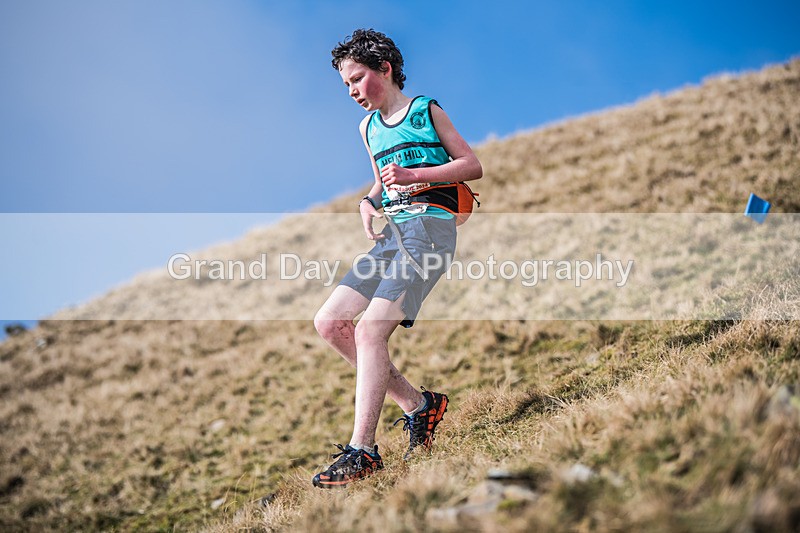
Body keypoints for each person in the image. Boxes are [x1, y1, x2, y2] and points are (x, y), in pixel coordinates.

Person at [312, 28, 482, 489]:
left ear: (384, 68)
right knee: (331, 324)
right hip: (393, 237)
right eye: (346, 84)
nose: (351, 91)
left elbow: (471, 165)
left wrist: (416, 174)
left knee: (370, 332)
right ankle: (419, 406)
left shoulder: (425, 110)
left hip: (430, 232)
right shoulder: (367, 129)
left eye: (357, 78)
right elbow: (382, 184)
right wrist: (368, 202)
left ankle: (362, 451)